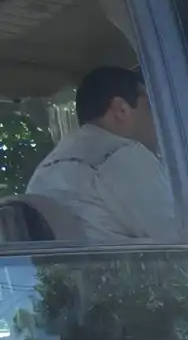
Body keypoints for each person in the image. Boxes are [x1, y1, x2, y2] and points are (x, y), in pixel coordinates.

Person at [26, 66, 176, 242]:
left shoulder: (44, 172)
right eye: (151, 107)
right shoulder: (122, 157)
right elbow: (182, 235)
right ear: (121, 110)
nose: (159, 119)